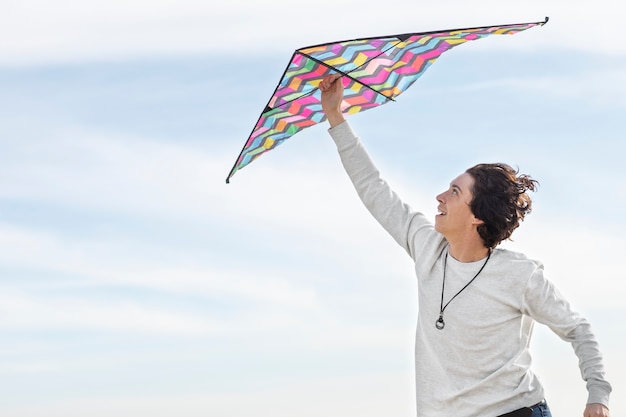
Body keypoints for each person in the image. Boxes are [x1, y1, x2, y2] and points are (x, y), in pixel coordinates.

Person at [318, 74, 611, 417]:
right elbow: (373, 186)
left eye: (454, 192)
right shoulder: (425, 244)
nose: (440, 197)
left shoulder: (519, 274)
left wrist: (598, 395)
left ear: (477, 218)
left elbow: (578, 329)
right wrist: (336, 117)